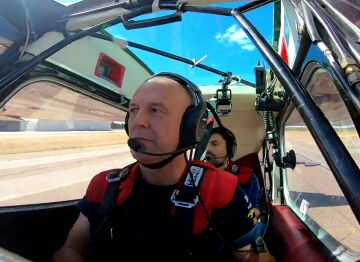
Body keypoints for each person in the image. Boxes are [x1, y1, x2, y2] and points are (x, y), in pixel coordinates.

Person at [54, 72, 274, 262]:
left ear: (192, 128)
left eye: (155, 110)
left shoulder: (220, 189)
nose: (139, 121)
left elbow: (254, 257)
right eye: (133, 110)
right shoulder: (103, 185)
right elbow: (71, 248)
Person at [205, 127, 262, 212]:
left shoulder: (246, 177)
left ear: (229, 149)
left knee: (260, 226)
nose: (208, 149)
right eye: (206, 144)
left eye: (214, 144)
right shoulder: (195, 174)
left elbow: (254, 212)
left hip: (236, 224)